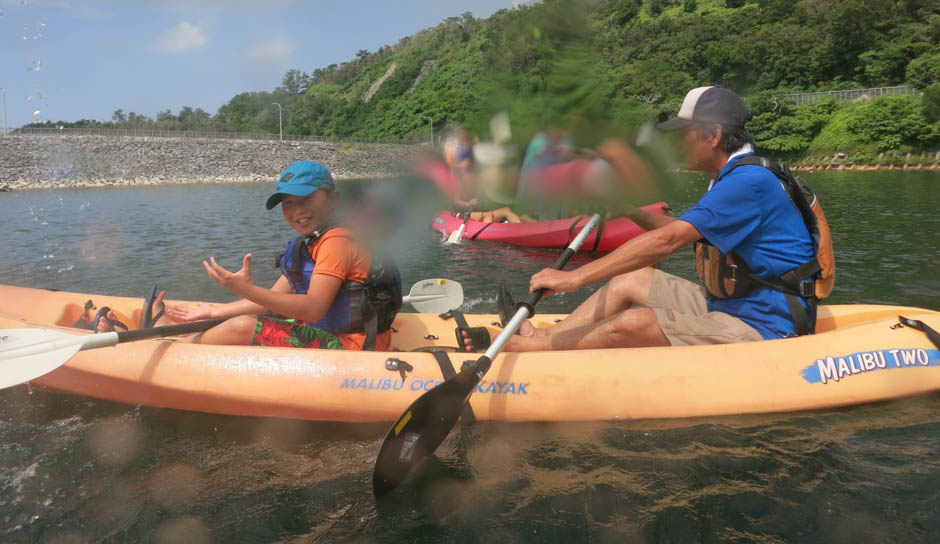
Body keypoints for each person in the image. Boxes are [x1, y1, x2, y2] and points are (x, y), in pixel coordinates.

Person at [459, 86, 817, 352]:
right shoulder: (728, 177)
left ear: (713, 135)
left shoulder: (747, 183)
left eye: (683, 135)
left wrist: (574, 277)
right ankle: (547, 335)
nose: (678, 144)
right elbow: (682, 232)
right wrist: (628, 210)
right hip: (727, 303)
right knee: (629, 280)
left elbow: (668, 241)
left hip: (763, 323)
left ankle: (526, 349)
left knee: (633, 323)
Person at [118, 161, 402, 350]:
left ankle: (173, 347)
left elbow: (313, 308)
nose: (297, 211)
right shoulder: (311, 244)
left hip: (353, 345)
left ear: (333, 199)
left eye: (306, 199)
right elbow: (272, 299)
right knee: (241, 319)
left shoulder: (337, 241)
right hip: (334, 333)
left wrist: (248, 290)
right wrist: (213, 312)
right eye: (288, 203)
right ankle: (182, 334)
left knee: (243, 327)